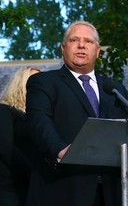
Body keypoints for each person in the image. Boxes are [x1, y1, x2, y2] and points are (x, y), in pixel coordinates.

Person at [25, 20, 128, 206]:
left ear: (97, 51)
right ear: (63, 48)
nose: (81, 45)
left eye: (88, 41)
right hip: (64, 187)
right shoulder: (44, 82)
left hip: (111, 190)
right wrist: (60, 149)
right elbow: (38, 121)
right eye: (74, 40)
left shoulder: (113, 89)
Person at [0, 67, 40, 206]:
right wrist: (34, 175)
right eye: (34, 81)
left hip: (33, 188)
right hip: (6, 188)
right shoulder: (2, 110)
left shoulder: (41, 117)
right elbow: (6, 147)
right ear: (20, 83)